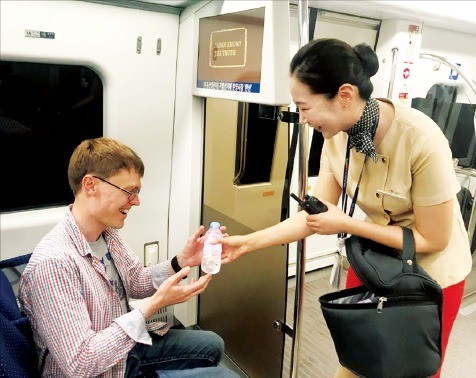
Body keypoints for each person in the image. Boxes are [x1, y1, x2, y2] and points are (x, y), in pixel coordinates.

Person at [218, 38, 472, 377]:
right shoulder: (335, 136)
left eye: (305, 107)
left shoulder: (421, 139)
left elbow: (433, 239)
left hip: (429, 274)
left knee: (412, 368)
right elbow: (314, 218)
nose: (303, 120)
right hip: (376, 259)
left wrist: (349, 225)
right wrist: (247, 243)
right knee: (358, 354)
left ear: (345, 95)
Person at [19, 137, 239, 378]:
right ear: (90, 185)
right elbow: (81, 364)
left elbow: (134, 280)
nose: (136, 202)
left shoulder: (106, 234)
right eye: (129, 192)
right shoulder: (53, 264)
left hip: (121, 354)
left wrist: (181, 261)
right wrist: (152, 306)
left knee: (212, 344)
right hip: (99, 371)